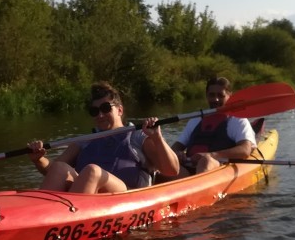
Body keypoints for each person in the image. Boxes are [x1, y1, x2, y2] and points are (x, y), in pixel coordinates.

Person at [27, 81, 179, 194]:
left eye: (105, 108)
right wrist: (38, 159)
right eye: (94, 111)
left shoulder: (139, 135)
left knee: (93, 171)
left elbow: (172, 170)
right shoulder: (85, 141)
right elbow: (52, 171)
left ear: (119, 110)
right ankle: (40, 220)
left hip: (128, 196)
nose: (100, 115)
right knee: (60, 168)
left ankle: (69, 221)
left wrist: (158, 138)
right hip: (90, 198)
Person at [171, 77, 257, 175]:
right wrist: (178, 154)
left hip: (217, 167)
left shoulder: (237, 119)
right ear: (207, 96)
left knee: (205, 161)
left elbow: (245, 150)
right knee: (165, 165)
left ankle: (200, 185)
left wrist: (211, 155)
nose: (215, 99)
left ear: (230, 96)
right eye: (212, 95)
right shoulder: (195, 119)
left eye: (220, 95)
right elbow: (176, 147)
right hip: (189, 169)